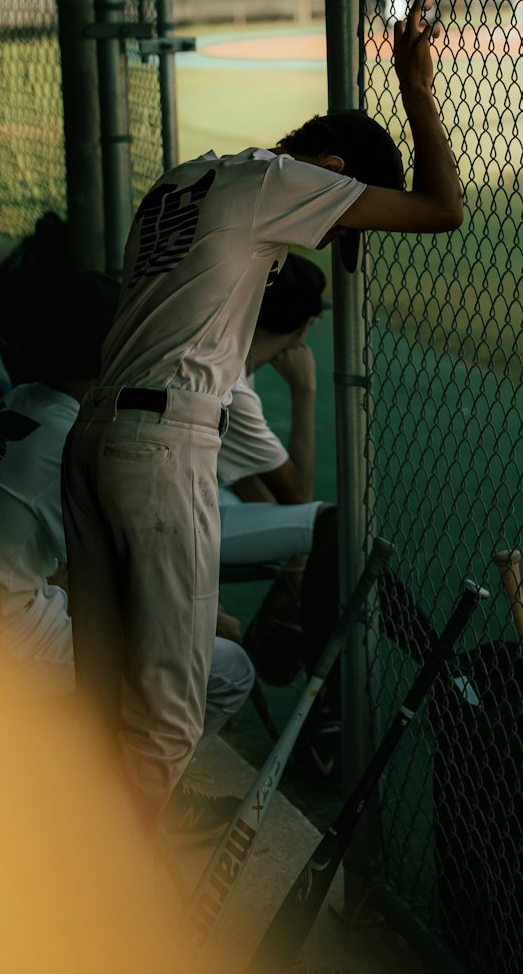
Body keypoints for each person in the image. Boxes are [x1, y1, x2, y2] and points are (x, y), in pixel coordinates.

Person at [61, 0, 463, 838]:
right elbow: (441, 206)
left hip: (93, 435)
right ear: (325, 164)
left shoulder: (185, 177)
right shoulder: (278, 180)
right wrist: (416, 86)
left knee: (98, 700)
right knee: (167, 719)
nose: (336, 225)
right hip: (161, 447)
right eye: (344, 202)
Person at [0, 271, 255, 844]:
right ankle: (119, 816)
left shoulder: (19, 403)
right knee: (224, 667)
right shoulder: (82, 431)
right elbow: (147, 587)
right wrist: (205, 619)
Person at [217, 253, 345, 782]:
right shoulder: (233, 387)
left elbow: (254, 489)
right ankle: (327, 720)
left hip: (189, 509)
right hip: (184, 522)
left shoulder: (221, 359)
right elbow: (297, 498)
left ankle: (321, 717)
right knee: (334, 527)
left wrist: (294, 564)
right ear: (305, 324)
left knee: (309, 534)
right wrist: (305, 390)